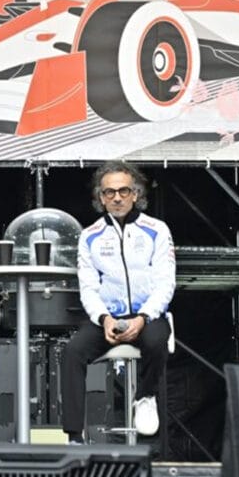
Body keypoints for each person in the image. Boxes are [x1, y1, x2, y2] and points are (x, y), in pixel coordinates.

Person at [62, 161, 175, 443]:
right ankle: (74, 435)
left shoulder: (157, 229)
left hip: (146, 315)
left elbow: (165, 282)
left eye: (123, 191)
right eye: (109, 192)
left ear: (135, 194)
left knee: (156, 341)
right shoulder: (89, 236)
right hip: (108, 318)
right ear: (100, 198)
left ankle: (145, 397)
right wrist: (104, 319)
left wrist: (143, 317)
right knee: (72, 352)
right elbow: (88, 288)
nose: (117, 198)